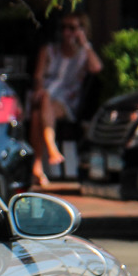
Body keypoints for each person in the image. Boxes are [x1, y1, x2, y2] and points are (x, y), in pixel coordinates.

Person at [30, 12, 103, 185]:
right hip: (44, 97)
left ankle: (38, 163)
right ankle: (50, 149)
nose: (66, 32)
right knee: (42, 102)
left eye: (72, 28)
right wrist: (39, 90)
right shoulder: (48, 50)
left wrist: (84, 43)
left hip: (66, 103)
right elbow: (38, 77)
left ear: (82, 30)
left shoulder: (84, 54)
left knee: (37, 113)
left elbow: (97, 68)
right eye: (63, 27)